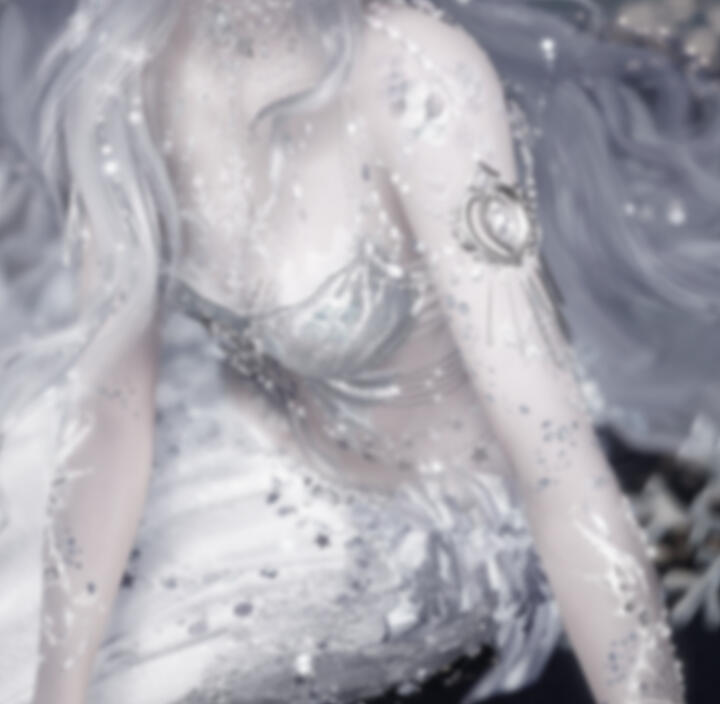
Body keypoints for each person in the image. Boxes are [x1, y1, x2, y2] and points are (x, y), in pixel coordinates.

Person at [1, 0, 717, 702]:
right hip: (240, 441)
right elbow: (109, 418)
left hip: (417, 518)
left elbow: (555, 462)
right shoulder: (119, 86)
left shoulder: (418, 77)